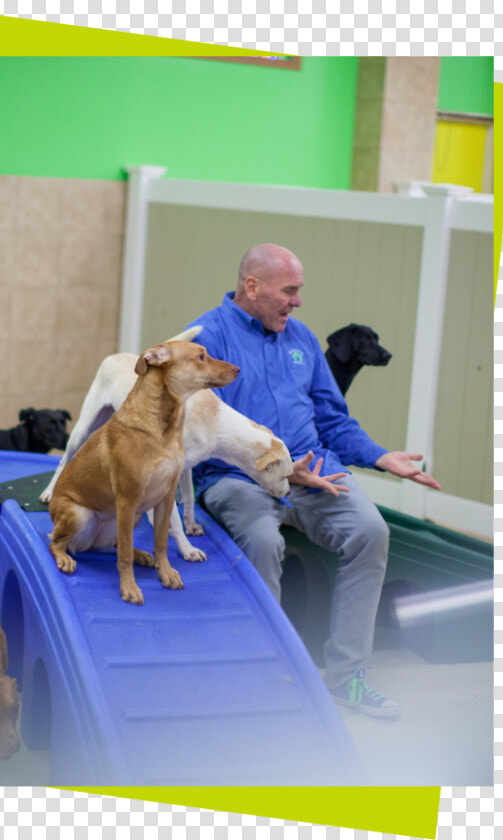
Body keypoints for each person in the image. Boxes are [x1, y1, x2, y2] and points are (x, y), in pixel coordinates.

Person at [187, 243, 441, 718]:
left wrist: (381, 457)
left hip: (315, 471)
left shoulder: (301, 339)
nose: (298, 302)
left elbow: (333, 419)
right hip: (237, 476)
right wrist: (276, 468)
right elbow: (199, 431)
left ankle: (347, 679)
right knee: (262, 541)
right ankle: (265, 678)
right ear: (252, 287)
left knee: (370, 532)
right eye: (290, 291)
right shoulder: (208, 338)